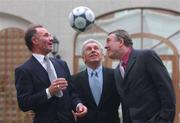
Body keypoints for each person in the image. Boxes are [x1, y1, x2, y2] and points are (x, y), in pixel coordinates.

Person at [15, 24, 87, 123]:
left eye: (50, 35)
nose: (51, 38)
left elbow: (71, 92)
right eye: (46, 35)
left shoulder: (61, 64)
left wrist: (78, 105)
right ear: (35, 41)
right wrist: (49, 91)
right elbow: (24, 103)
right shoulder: (24, 70)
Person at [104, 29, 176, 123]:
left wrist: (164, 120)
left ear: (121, 42)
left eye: (108, 41)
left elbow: (167, 92)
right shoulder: (117, 71)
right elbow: (126, 105)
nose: (105, 46)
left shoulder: (146, 56)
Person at [72, 39, 122, 123]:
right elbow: (73, 98)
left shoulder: (115, 75)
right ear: (84, 58)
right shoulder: (74, 79)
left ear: (102, 55)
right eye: (89, 49)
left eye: (96, 48)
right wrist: (78, 105)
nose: (93, 50)